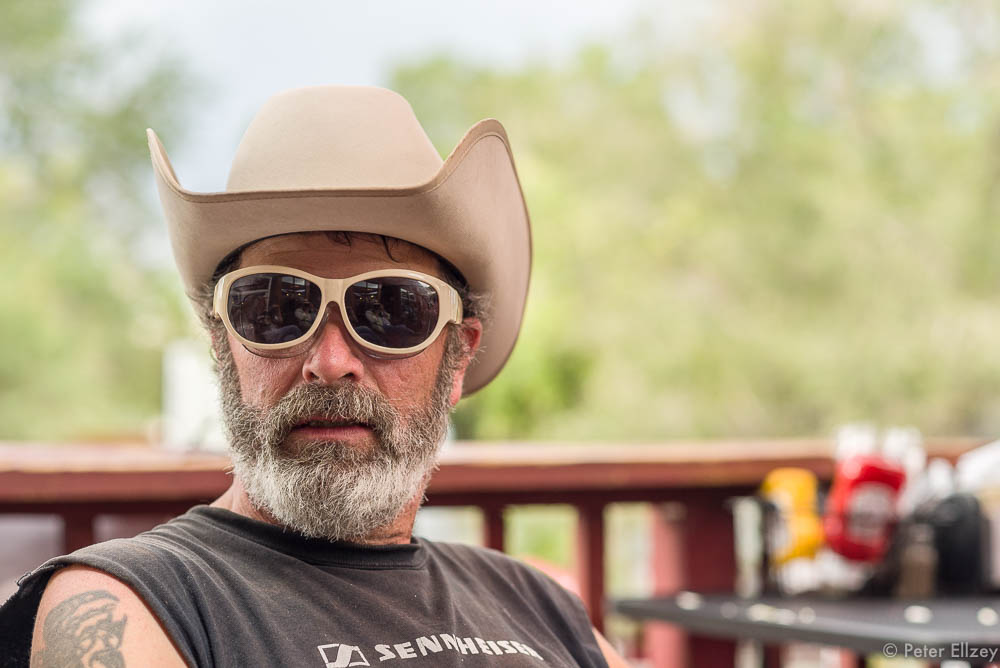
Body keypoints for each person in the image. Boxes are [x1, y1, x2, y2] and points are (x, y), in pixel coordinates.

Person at [0, 86, 628, 667]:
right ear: (223, 344)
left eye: (391, 312)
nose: (329, 361)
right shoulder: (128, 605)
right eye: (276, 309)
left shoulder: (539, 604)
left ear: (458, 356)